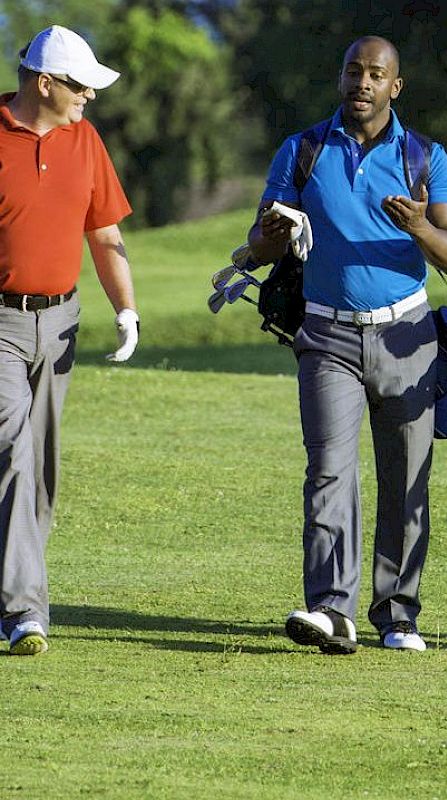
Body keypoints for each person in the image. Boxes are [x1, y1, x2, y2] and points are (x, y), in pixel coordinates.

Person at [248, 36, 447, 655]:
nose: (361, 83)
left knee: (404, 477)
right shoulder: (303, 150)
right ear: (340, 78)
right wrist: (268, 233)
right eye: (353, 71)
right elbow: (262, 243)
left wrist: (419, 224)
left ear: (395, 87)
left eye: (376, 74)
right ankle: (331, 609)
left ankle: (397, 614)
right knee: (329, 468)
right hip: (325, 333)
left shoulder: (426, 157)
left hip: (406, 335)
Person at [0, 26, 139, 656]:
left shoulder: (85, 140)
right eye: (80, 85)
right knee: (12, 454)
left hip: (60, 324)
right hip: (0, 324)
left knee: (42, 467)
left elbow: (104, 235)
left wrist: (126, 310)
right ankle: (25, 610)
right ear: (45, 83)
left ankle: (10, 585)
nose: (90, 96)